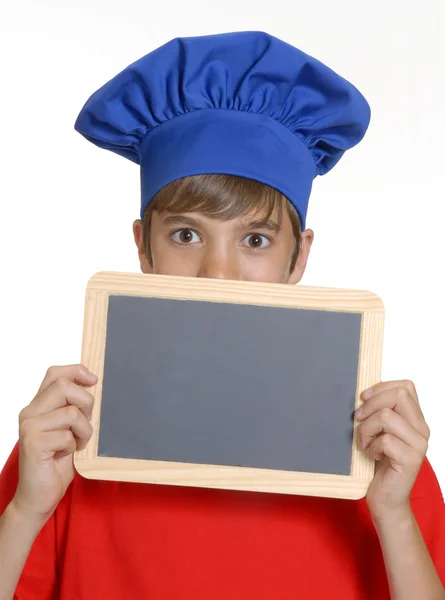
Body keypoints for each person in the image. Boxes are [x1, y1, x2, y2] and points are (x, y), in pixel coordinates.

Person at [0, 31, 444, 600]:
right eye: (187, 234)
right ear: (144, 248)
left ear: (298, 257)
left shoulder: (378, 448)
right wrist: (25, 510)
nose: (217, 271)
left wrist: (395, 517)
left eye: (255, 239)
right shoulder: (69, 434)